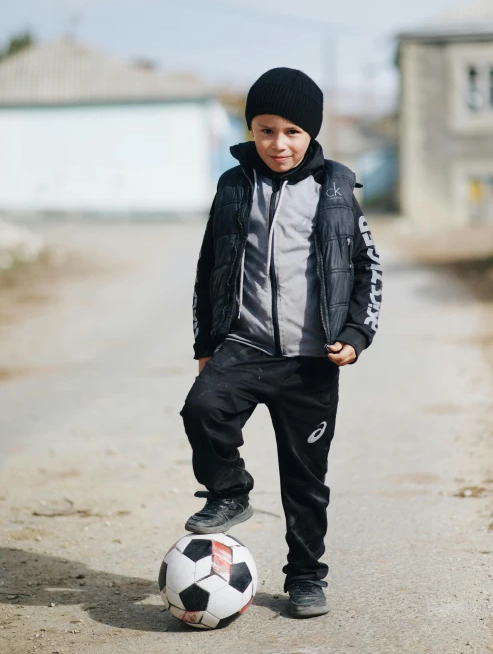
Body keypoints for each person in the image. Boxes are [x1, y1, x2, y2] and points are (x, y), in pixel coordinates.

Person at [180, 67, 382, 618]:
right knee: (201, 408)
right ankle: (230, 491)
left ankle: (306, 578)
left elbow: (366, 267)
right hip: (243, 345)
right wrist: (206, 341)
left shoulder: (335, 188)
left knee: (305, 480)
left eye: (292, 131)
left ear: (311, 133)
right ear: (251, 131)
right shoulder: (233, 185)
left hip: (310, 360)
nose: (278, 144)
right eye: (265, 130)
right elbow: (209, 268)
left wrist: (355, 334)